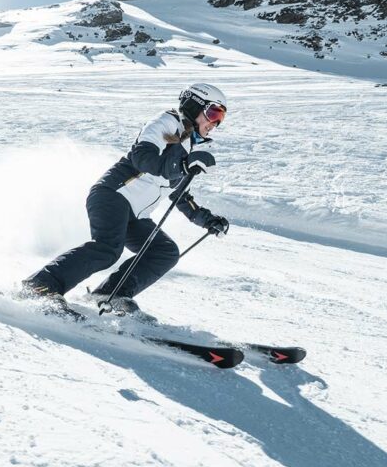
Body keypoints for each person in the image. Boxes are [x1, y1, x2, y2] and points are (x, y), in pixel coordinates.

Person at [21, 82, 230, 315]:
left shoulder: (188, 147)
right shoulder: (166, 122)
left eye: (220, 118)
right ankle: (40, 285)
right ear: (194, 105)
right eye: (213, 113)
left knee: (164, 251)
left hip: (135, 214)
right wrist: (181, 164)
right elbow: (142, 157)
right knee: (108, 248)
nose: (215, 123)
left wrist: (208, 220)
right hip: (113, 194)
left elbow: (179, 193)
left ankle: (112, 293)